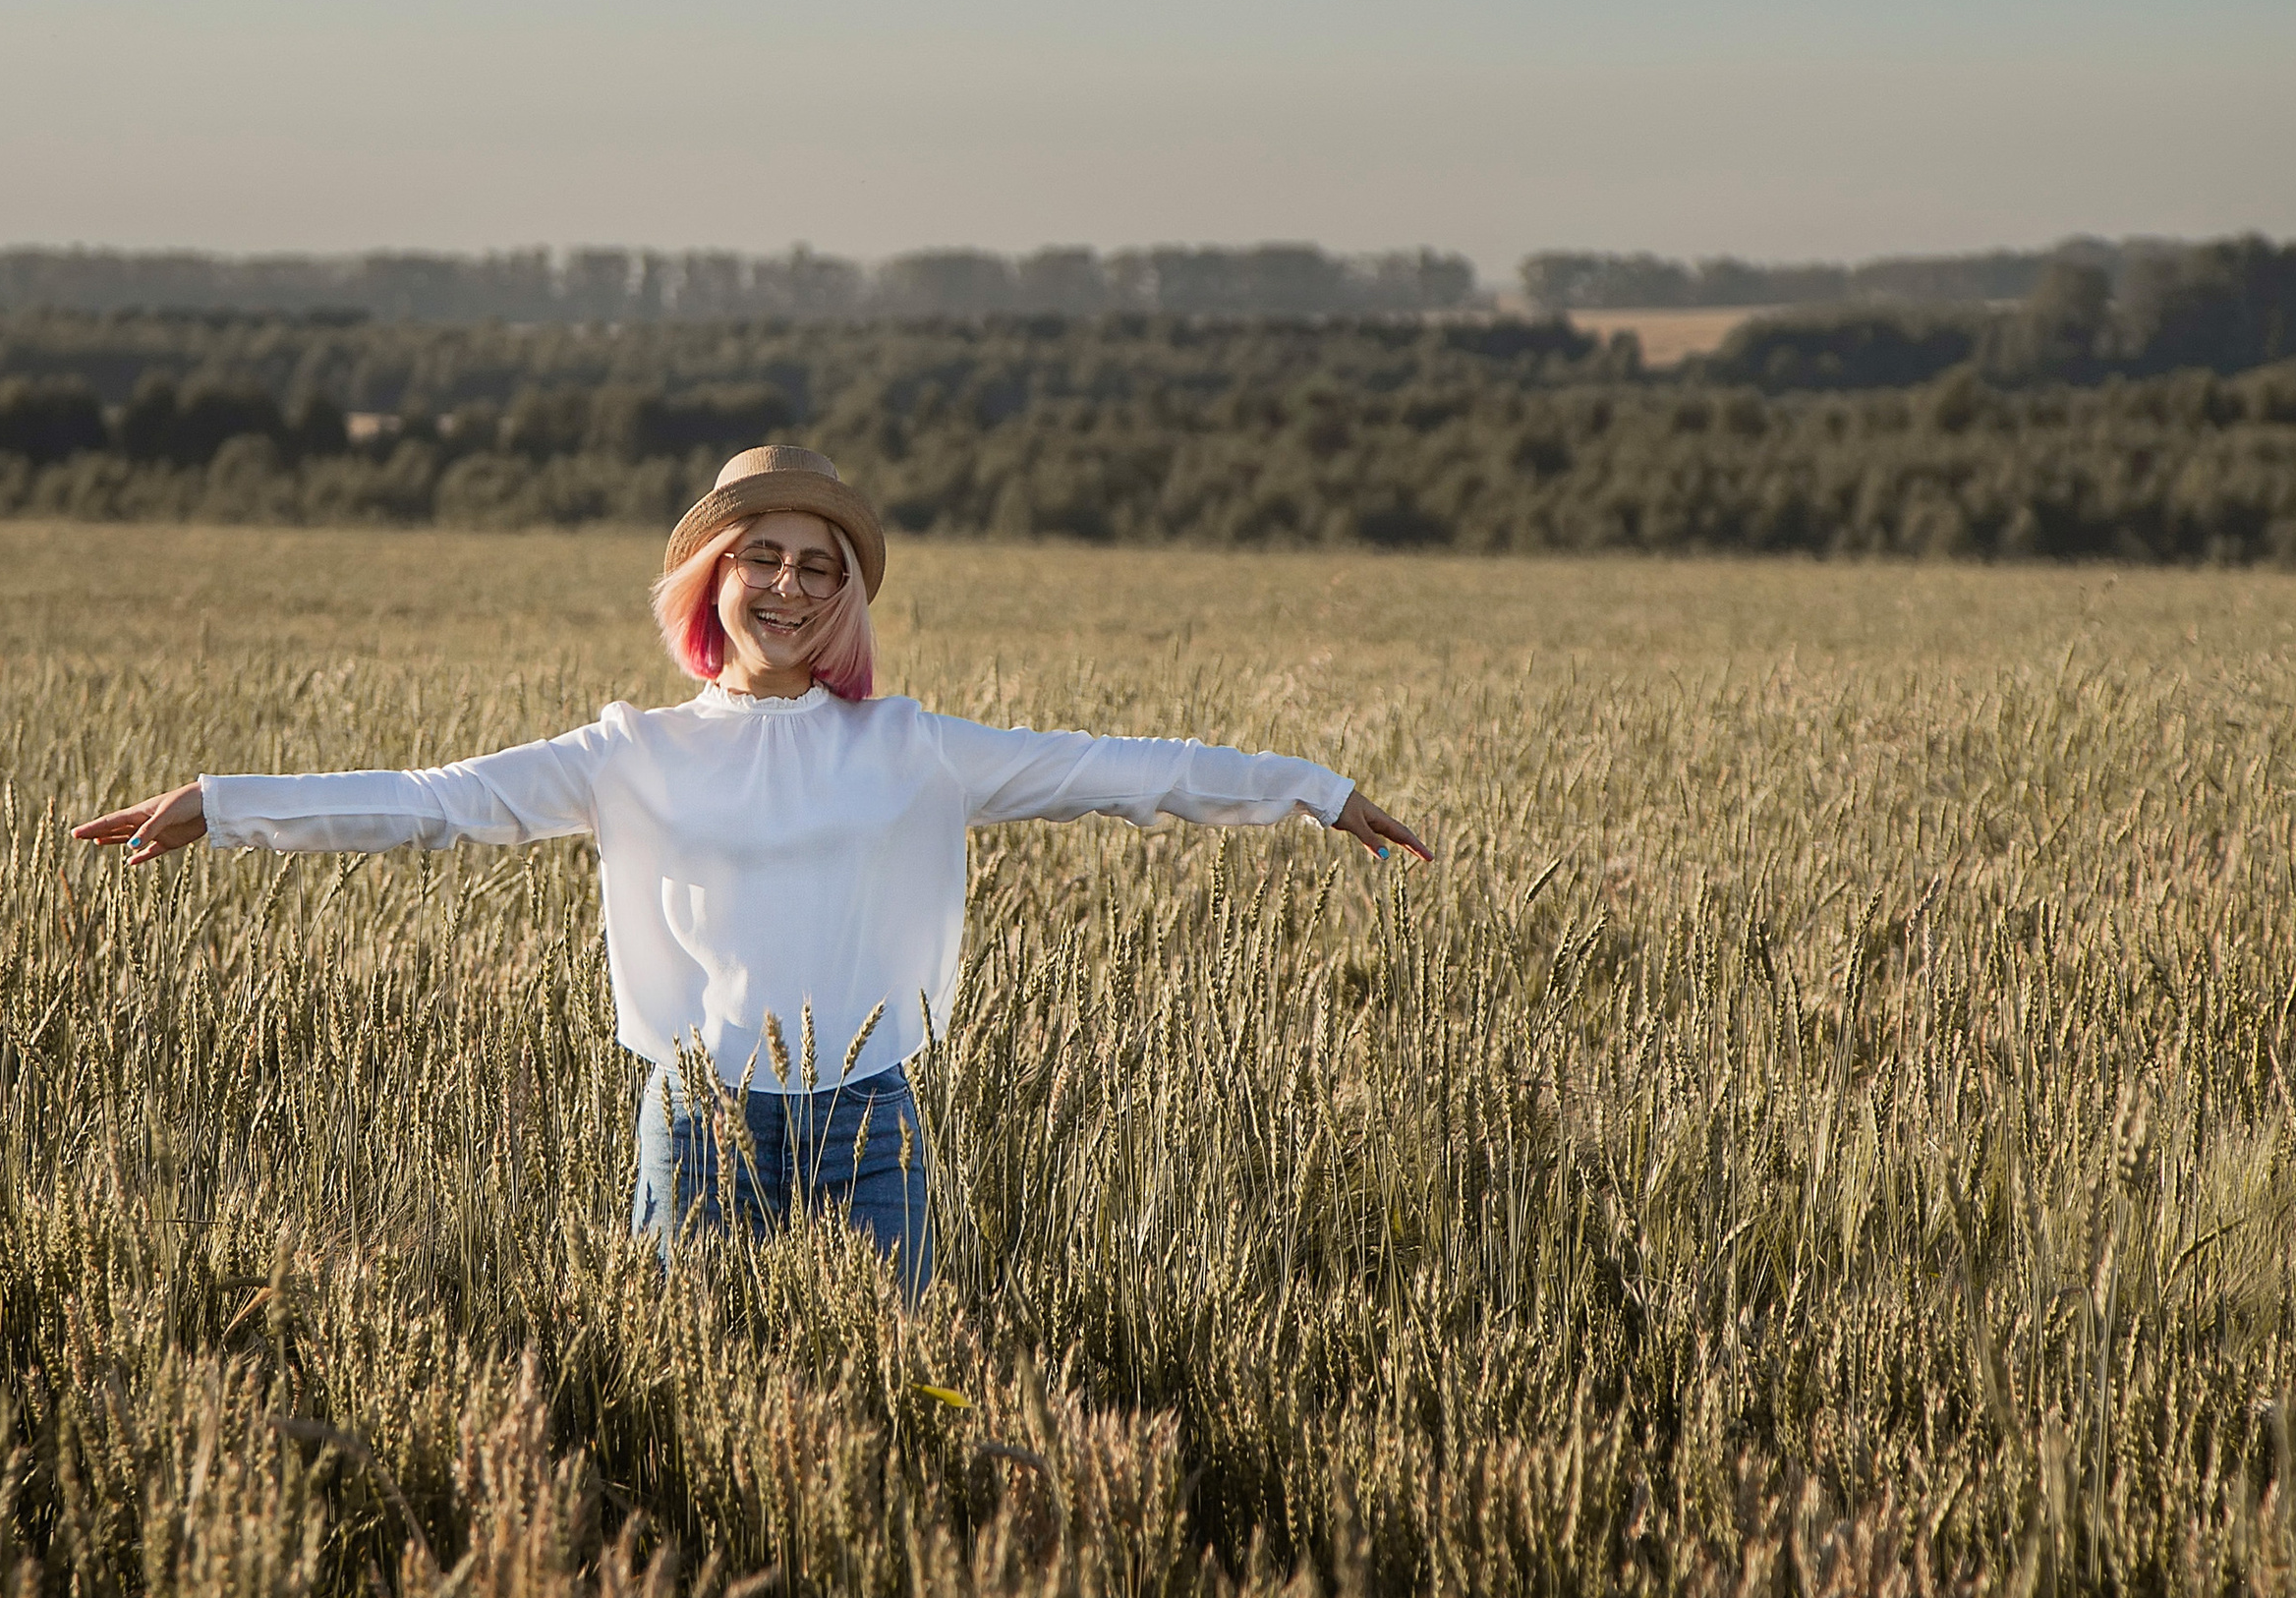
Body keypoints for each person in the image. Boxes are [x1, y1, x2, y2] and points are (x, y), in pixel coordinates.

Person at [75, 444, 1431, 1296]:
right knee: (690, 1392)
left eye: (817, 567)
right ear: (713, 585)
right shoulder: (632, 752)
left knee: (894, 1408)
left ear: (846, 598)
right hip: (702, 1115)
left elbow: (1131, 773)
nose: (786, 584)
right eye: (761, 558)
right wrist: (226, 804)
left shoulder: (914, 749)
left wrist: (1312, 792)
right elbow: (434, 805)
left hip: (871, 1123)